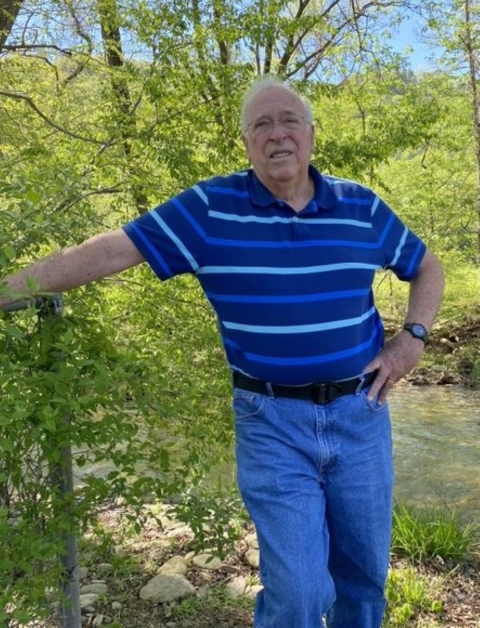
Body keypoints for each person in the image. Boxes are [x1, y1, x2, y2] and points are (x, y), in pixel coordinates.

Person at [0, 76, 444, 627]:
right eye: (262, 124)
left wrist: (412, 339)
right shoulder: (210, 209)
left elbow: (426, 267)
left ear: (310, 133)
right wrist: (7, 291)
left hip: (363, 413)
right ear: (246, 141)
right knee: (301, 591)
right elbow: (111, 251)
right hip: (271, 421)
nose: (277, 134)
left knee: (363, 579)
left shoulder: (361, 206)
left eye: (288, 121)